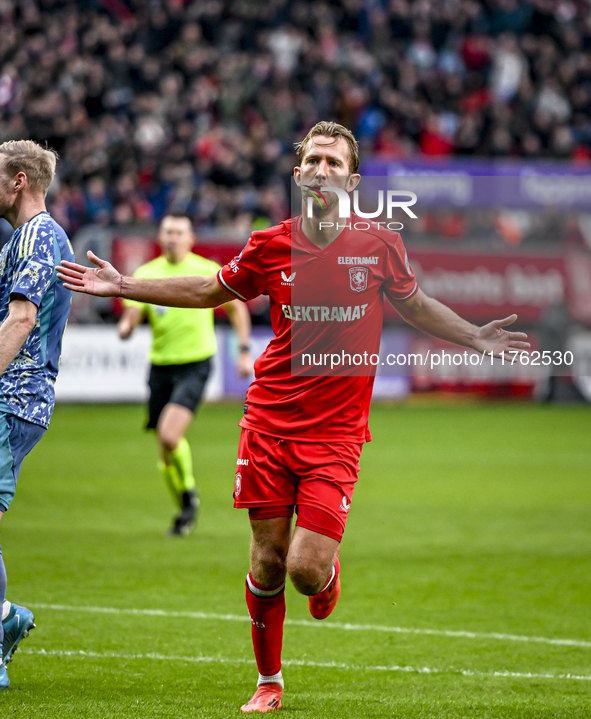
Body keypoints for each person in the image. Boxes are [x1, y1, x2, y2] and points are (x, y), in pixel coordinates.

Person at [57, 121, 529, 713]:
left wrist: (473, 337)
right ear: (298, 175)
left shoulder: (379, 245)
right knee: (266, 556)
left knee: (306, 569)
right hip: (269, 421)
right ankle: (269, 682)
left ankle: (325, 577)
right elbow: (209, 290)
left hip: (336, 433)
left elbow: (416, 306)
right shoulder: (269, 244)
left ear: (353, 181)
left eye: (335, 163)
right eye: (314, 162)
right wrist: (124, 284)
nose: (324, 171)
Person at [117, 214, 252, 535]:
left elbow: (237, 308)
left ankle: (189, 495)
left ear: (191, 239)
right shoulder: (147, 273)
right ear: (159, 237)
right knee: (164, 452)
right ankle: (184, 507)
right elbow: (134, 310)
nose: (172, 237)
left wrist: (244, 350)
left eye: (178, 232)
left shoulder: (206, 270)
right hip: (160, 367)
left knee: (169, 435)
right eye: (167, 232)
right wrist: (127, 325)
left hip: (195, 363)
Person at [0, 140, 74, 691]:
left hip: (14, 397)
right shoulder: (21, 239)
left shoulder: (41, 236)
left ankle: (3, 626)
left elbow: (21, 320)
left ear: (19, 180)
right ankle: (4, 622)